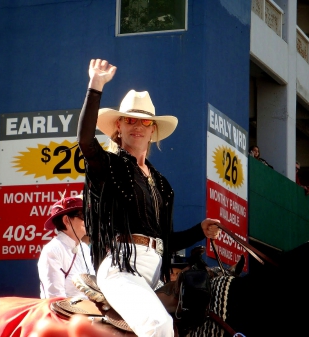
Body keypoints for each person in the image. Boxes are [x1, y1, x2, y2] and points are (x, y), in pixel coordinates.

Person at [77, 58, 221, 337]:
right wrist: (95, 85)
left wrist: (198, 231)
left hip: (151, 273)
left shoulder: (162, 185)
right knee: (159, 326)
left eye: (145, 121)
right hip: (120, 268)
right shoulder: (110, 165)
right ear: (118, 126)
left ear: (153, 130)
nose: (137, 126)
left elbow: (164, 241)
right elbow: (85, 141)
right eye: (130, 119)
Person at [37, 194, 95, 299]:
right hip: (64, 314)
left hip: (90, 312)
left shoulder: (85, 249)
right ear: (66, 220)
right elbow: (55, 299)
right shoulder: (52, 250)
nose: (88, 220)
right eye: (83, 216)